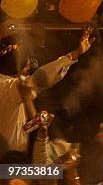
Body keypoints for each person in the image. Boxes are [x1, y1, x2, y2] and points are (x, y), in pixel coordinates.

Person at [0, 25, 94, 155]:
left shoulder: (10, 87)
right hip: (9, 160)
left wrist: (38, 123)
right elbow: (43, 77)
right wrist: (75, 54)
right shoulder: (8, 87)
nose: (28, 69)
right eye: (27, 64)